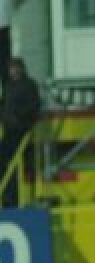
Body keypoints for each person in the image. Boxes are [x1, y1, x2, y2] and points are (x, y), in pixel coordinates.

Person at [0, 57, 39, 208]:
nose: (13, 71)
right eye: (11, 68)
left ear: (22, 68)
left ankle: (14, 199)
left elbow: (34, 106)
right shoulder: (9, 86)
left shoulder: (29, 85)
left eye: (16, 67)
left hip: (21, 131)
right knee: (6, 165)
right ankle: (8, 197)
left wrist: (17, 116)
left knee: (17, 165)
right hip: (9, 131)